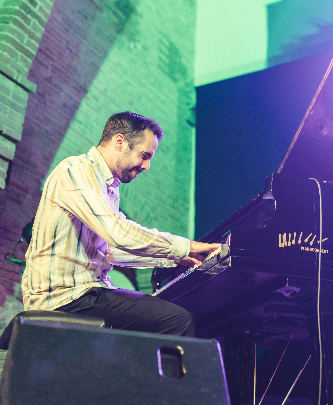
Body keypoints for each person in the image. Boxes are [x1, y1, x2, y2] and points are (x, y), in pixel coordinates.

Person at [23, 111, 220, 337]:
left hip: (85, 295)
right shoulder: (77, 171)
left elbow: (112, 251)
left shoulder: (108, 186)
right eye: (144, 155)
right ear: (120, 142)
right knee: (179, 321)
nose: (147, 166)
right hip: (64, 299)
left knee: (167, 316)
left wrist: (174, 257)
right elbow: (119, 234)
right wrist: (186, 246)